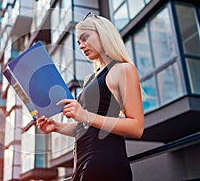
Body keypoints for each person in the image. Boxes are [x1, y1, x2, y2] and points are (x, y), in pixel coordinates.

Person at [36, 13, 144, 181]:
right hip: (83, 165)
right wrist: (56, 126)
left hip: (104, 163)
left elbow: (136, 127)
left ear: (103, 34)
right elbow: (86, 127)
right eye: (78, 42)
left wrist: (85, 115)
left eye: (85, 38)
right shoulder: (90, 80)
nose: (81, 45)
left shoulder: (123, 69)